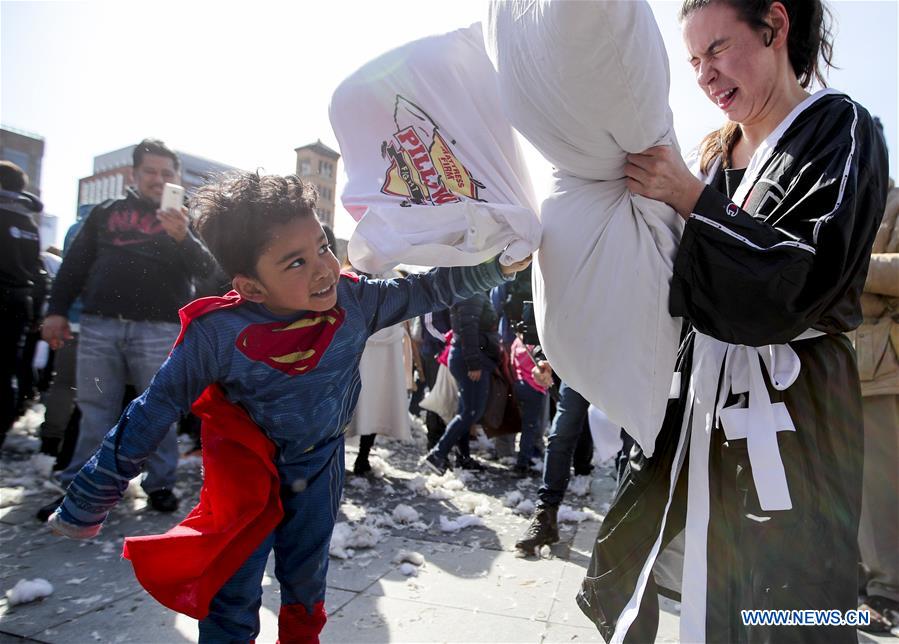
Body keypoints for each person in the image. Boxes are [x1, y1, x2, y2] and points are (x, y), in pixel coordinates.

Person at [46, 170, 527, 642]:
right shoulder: (217, 333)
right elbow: (153, 410)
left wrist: (495, 269)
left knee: (305, 578)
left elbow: (426, 289)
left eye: (322, 246)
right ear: (251, 287)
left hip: (318, 465)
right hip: (244, 472)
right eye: (295, 262)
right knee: (233, 586)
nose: (323, 268)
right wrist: (89, 499)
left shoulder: (354, 301)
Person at [576, 1, 890, 642]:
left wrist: (691, 199)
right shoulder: (715, 156)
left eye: (717, 49)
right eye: (694, 60)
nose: (706, 75)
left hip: (797, 409)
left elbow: (803, 279)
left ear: (774, 26)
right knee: (688, 577)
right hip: (702, 397)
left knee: (791, 598)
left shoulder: (841, 127)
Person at [39, 139, 218, 518]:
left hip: (159, 330)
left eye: (166, 173)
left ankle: (161, 485)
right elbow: (74, 266)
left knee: (160, 411)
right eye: (150, 171)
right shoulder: (105, 212)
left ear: (177, 177)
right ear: (134, 174)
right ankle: (82, 490)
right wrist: (56, 311)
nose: (158, 179)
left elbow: (208, 271)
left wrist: (183, 237)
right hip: (99, 326)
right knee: (94, 410)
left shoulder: (185, 219)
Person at [853, 180, 899, 633]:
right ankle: (859, 586)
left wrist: (850, 266)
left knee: (879, 488)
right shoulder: (840, 198)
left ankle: (888, 592)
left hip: (882, 366)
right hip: (834, 364)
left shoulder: (895, 202)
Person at [423, 291, 500, 474]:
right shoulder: (472, 292)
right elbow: (468, 328)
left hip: (470, 357)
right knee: (471, 412)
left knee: (466, 411)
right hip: (471, 360)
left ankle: (462, 457)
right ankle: (437, 454)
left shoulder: (473, 290)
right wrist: (473, 363)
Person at [0, 160, 45, 446]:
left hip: (11, 299)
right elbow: (36, 271)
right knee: (8, 369)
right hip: (20, 303)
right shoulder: (29, 223)